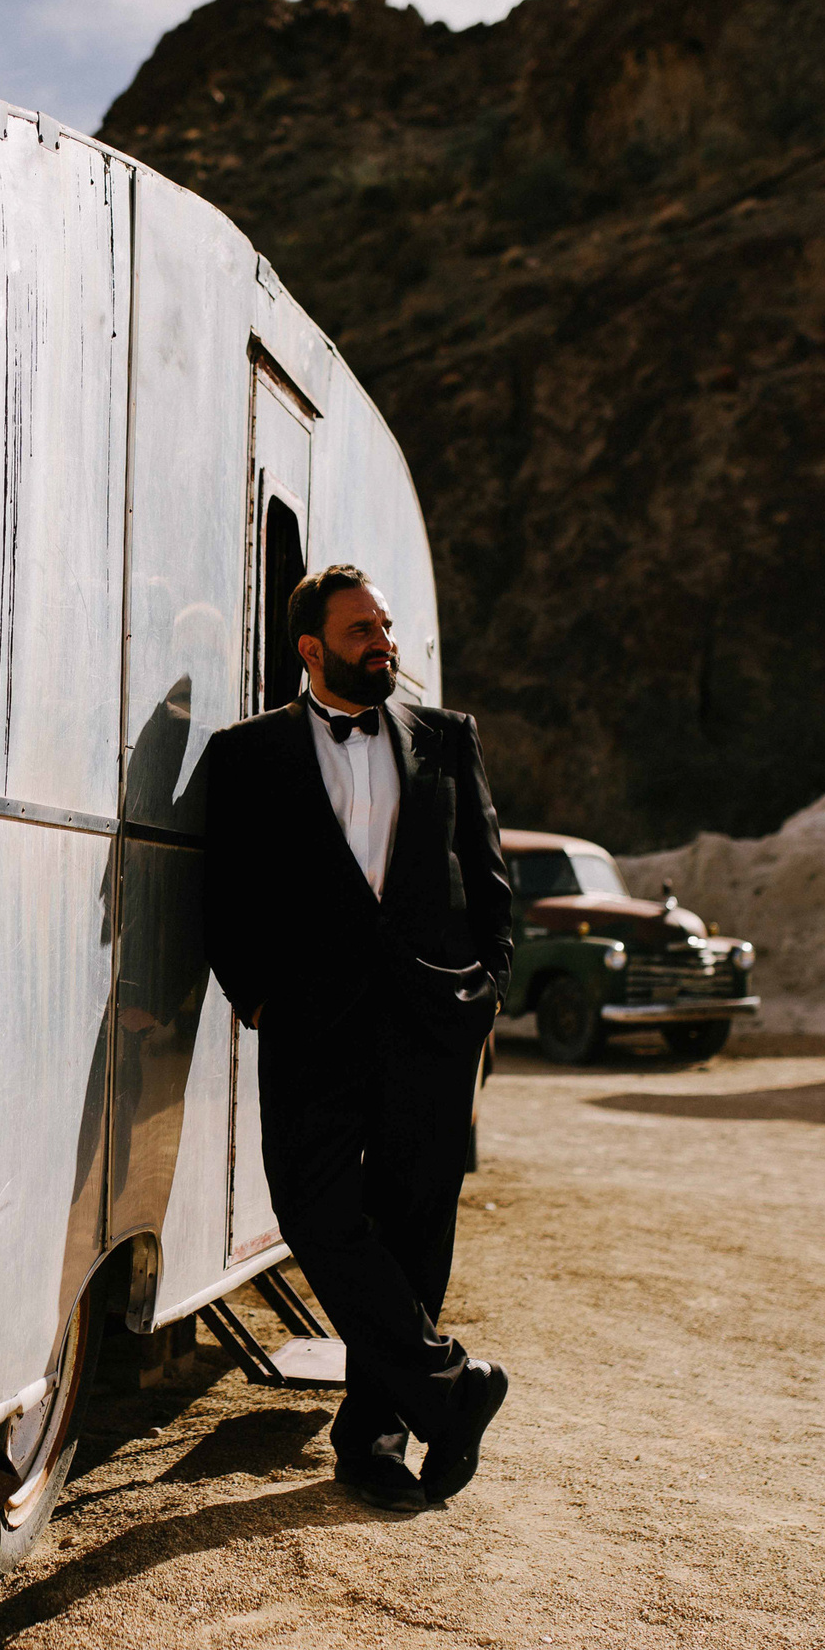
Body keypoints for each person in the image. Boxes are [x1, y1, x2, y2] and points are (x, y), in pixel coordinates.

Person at [201, 564, 512, 1511]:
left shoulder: (447, 740)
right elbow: (225, 893)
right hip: (311, 1026)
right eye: (361, 632)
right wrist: (253, 998)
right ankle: (455, 1389)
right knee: (314, 1213)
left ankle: (376, 1442)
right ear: (311, 649)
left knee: (417, 1224)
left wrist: (487, 986)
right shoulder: (246, 755)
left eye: (385, 626)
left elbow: (488, 875)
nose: (384, 644)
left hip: (431, 1023)